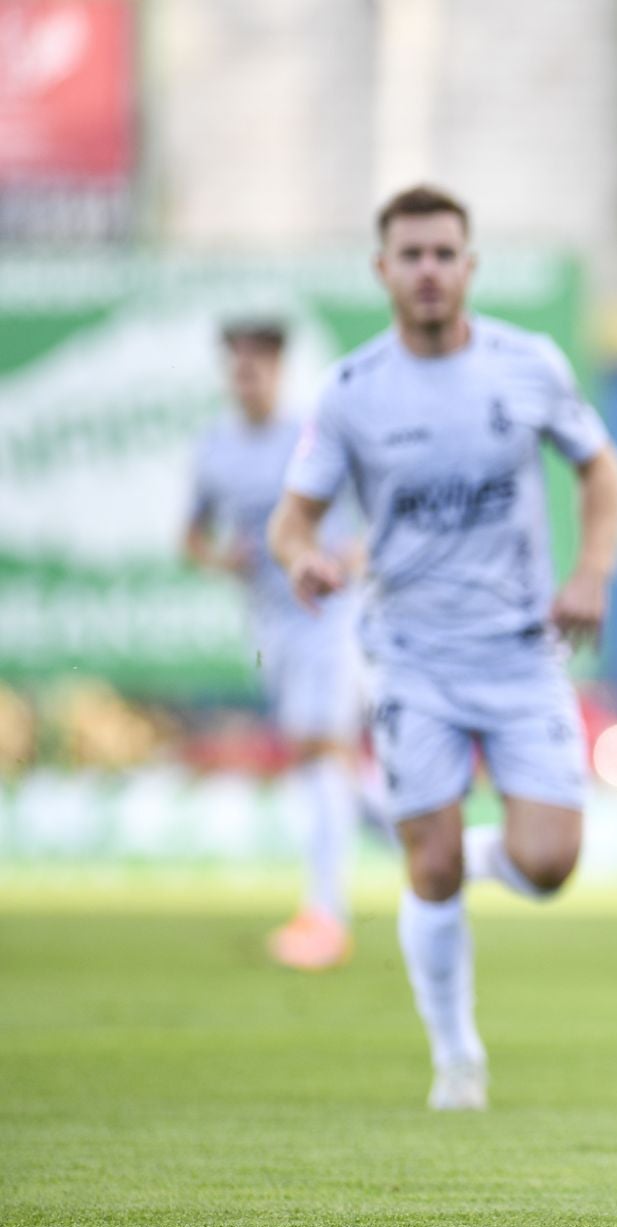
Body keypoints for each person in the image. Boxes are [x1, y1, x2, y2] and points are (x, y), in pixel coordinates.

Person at [268, 186, 617, 1111]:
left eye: (443, 253)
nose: (428, 270)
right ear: (382, 270)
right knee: (427, 873)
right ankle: (456, 1057)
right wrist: (305, 559)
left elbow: (599, 467)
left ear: (468, 266)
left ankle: (459, 852)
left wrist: (589, 573)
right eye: (410, 255)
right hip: (410, 661)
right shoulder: (352, 391)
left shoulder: (526, 364)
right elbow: (291, 521)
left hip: (518, 652)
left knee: (548, 864)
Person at [185, 319, 362, 972]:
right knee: (317, 756)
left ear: (278, 370)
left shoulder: (311, 439)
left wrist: (352, 556)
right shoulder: (214, 449)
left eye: (258, 364)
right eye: (238, 365)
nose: (248, 375)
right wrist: (218, 559)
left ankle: (325, 913)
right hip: (268, 623)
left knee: (320, 746)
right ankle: (411, 833)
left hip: (328, 612)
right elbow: (190, 537)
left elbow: (371, 517)